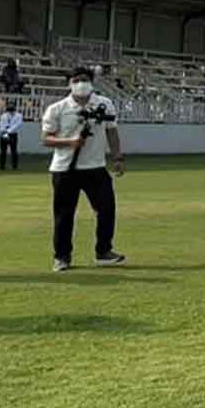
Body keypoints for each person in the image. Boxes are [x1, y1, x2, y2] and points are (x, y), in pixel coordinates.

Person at [39, 67, 125, 271]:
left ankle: (103, 251)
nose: (81, 83)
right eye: (76, 80)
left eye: (85, 79)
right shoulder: (57, 108)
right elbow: (46, 139)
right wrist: (71, 142)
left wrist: (117, 157)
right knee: (64, 214)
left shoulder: (104, 104)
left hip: (95, 167)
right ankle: (62, 256)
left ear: (92, 82)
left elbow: (112, 131)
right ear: (69, 83)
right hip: (64, 168)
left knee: (106, 209)